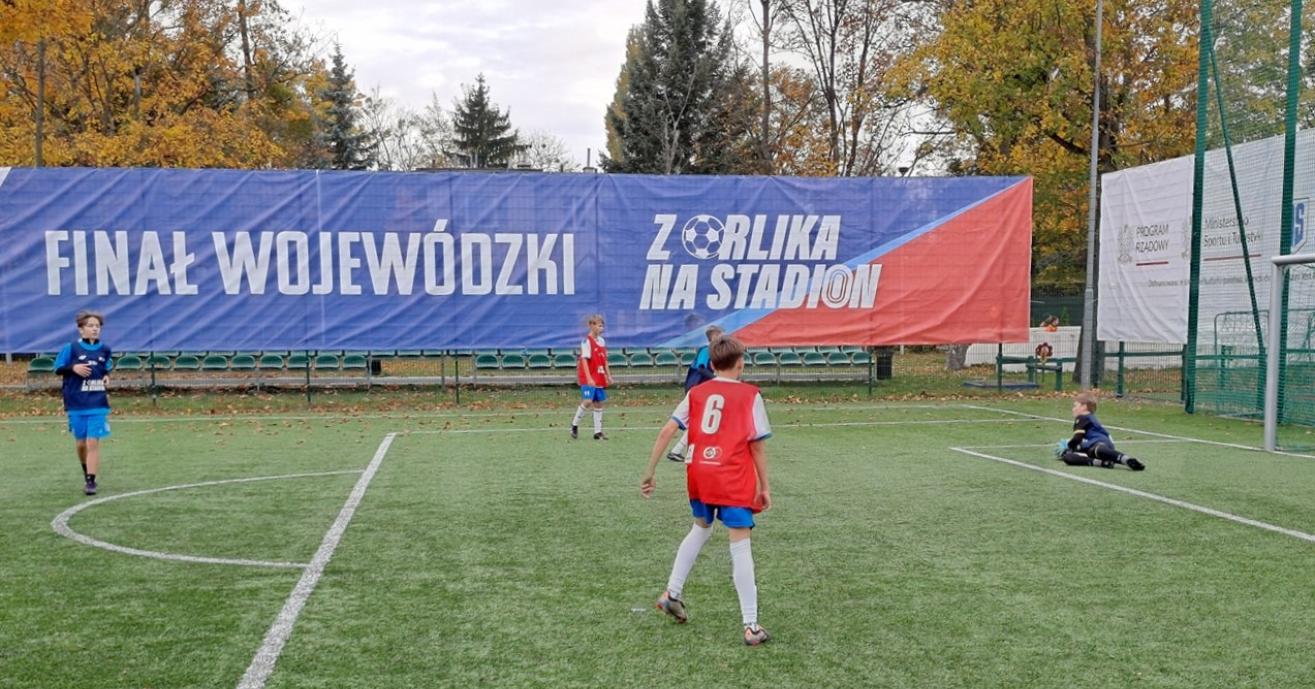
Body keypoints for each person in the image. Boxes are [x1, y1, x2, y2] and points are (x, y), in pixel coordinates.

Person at [640, 335, 773, 646]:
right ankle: (751, 625)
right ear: (741, 364)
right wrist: (764, 486)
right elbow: (756, 446)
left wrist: (650, 471)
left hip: (699, 471)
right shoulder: (751, 395)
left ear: (711, 365)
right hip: (730, 475)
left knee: (701, 528)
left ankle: (672, 593)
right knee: (740, 544)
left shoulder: (698, 392)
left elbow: (667, 431)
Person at [54, 310, 114, 495]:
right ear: (81, 330)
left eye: (97, 326)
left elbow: (106, 368)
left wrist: (105, 376)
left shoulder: (105, 349)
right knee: (81, 444)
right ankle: (85, 468)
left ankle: (91, 481)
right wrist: (73, 368)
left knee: (92, 442)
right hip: (76, 402)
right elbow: (58, 369)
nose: (95, 329)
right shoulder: (70, 349)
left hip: (97, 403)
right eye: (90, 326)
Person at [666, 324, 724, 462]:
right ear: (714, 336)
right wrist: (717, 379)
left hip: (703, 389)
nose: (723, 338)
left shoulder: (714, 351)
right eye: (721, 335)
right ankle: (679, 450)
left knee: (700, 420)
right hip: (696, 387)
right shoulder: (706, 350)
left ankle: (680, 450)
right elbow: (701, 368)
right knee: (699, 420)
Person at [1055, 392, 1145, 471]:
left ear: (1084, 406)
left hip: (1099, 443)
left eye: (1075, 405)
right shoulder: (1091, 418)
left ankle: (1126, 459)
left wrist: (1069, 446)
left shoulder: (1082, 417)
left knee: (1095, 450)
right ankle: (1103, 462)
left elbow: (1077, 438)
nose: (1073, 409)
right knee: (1068, 457)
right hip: (1096, 446)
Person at [570, 314, 613, 440]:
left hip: (598, 375)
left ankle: (597, 432)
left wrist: (608, 375)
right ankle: (574, 425)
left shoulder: (602, 341)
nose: (601, 328)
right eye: (599, 326)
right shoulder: (586, 342)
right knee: (588, 401)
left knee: (598, 403)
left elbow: (604, 360)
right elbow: (584, 360)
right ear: (592, 325)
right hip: (588, 375)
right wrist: (588, 377)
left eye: (602, 326)